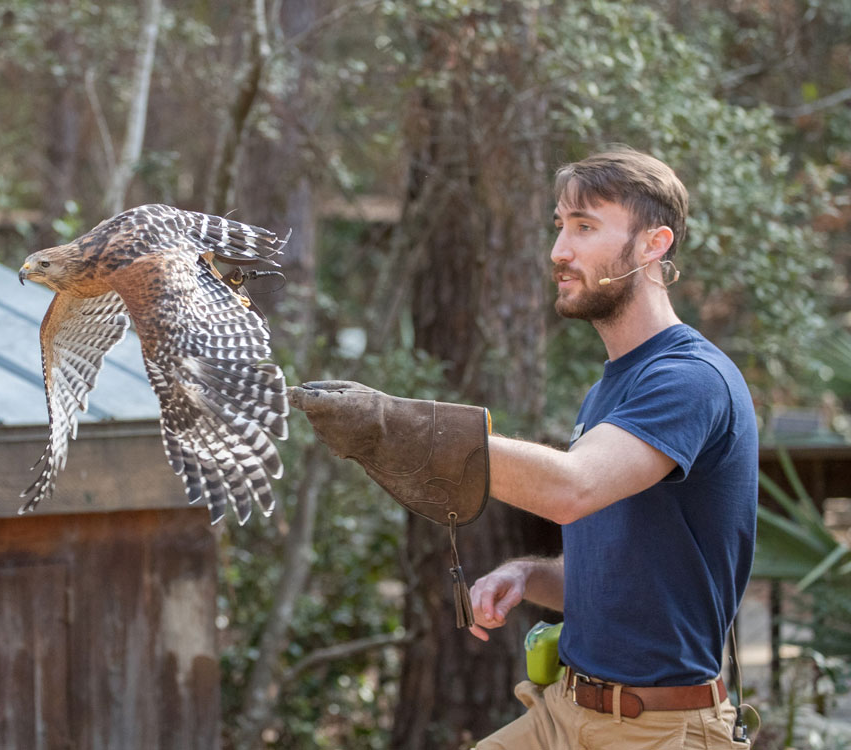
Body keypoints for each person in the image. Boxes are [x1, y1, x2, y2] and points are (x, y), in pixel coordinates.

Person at [289, 147, 756, 749]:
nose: (559, 251)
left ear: (653, 244)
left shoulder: (689, 380)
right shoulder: (610, 389)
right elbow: (630, 569)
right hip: (563, 711)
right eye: (559, 226)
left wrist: (394, 425)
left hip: (659, 730)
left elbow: (572, 487)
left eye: (585, 227)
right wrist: (529, 573)